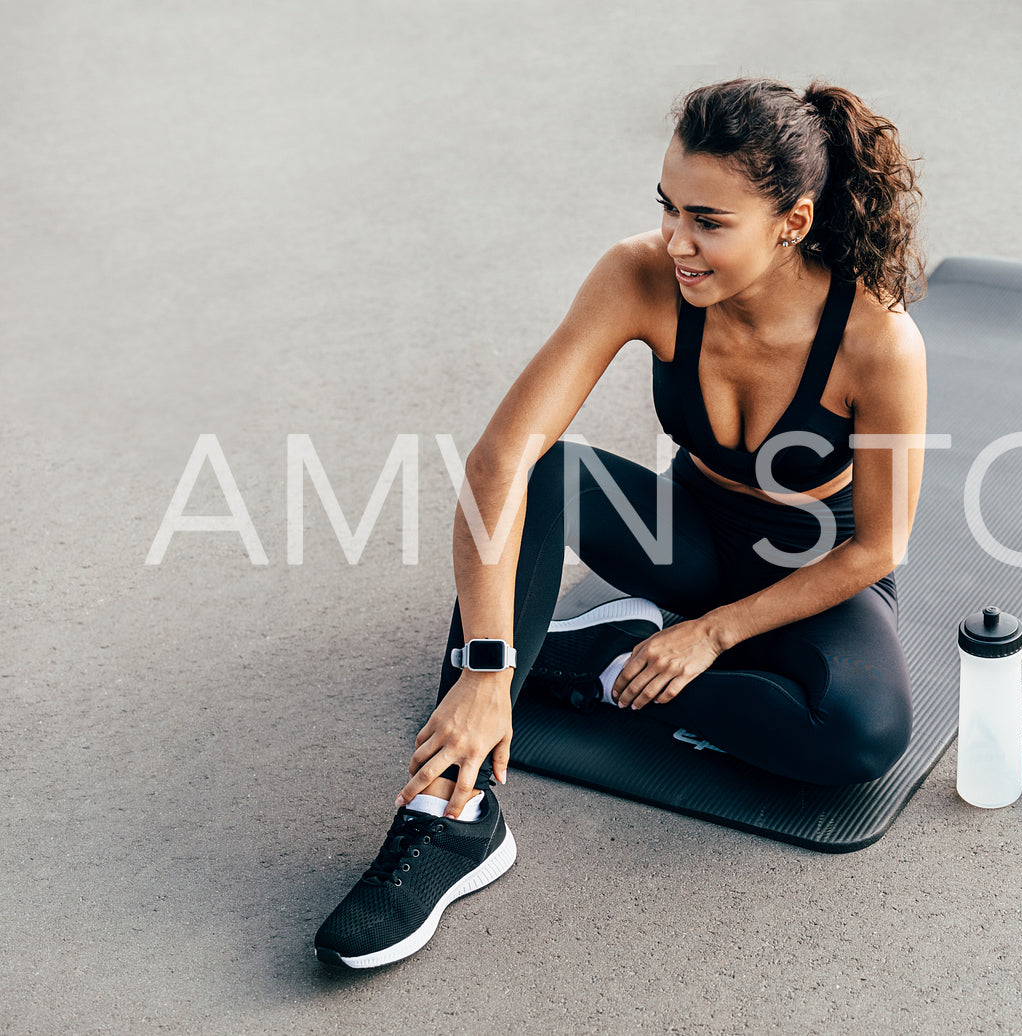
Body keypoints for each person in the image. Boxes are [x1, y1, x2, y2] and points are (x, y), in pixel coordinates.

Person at [314, 77, 930, 969]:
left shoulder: (876, 341)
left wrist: (711, 636)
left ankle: (607, 663)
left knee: (859, 738)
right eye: (669, 207)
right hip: (682, 536)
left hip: (813, 565)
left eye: (710, 222)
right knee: (545, 474)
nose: (678, 241)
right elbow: (500, 463)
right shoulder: (638, 275)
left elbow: (880, 545)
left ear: (791, 222)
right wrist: (487, 668)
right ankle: (452, 819)